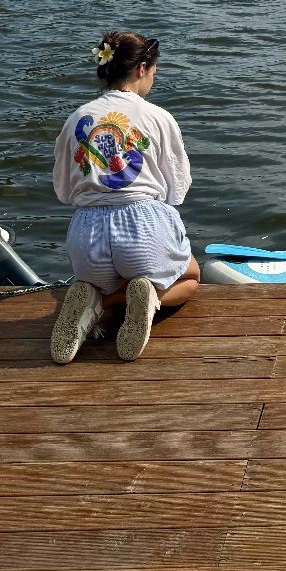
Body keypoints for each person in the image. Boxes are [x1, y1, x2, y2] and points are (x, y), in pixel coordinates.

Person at [51, 31, 199, 364]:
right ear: (142, 68)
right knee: (190, 278)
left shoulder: (76, 118)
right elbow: (177, 190)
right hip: (141, 228)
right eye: (154, 68)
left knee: (102, 279)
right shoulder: (158, 117)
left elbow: (63, 190)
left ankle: (95, 300)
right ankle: (143, 296)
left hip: (86, 239)